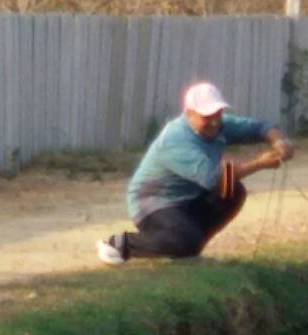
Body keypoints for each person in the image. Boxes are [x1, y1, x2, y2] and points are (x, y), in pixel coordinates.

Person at [96, 82, 294, 265]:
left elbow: (262, 127)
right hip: (154, 204)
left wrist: (280, 143)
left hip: (188, 199)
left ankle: (189, 252)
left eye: (218, 113)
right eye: (207, 116)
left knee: (232, 191)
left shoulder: (219, 125)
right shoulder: (177, 140)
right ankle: (120, 244)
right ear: (189, 113)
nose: (214, 122)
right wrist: (260, 163)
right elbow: (214, 177)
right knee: (184, 238)